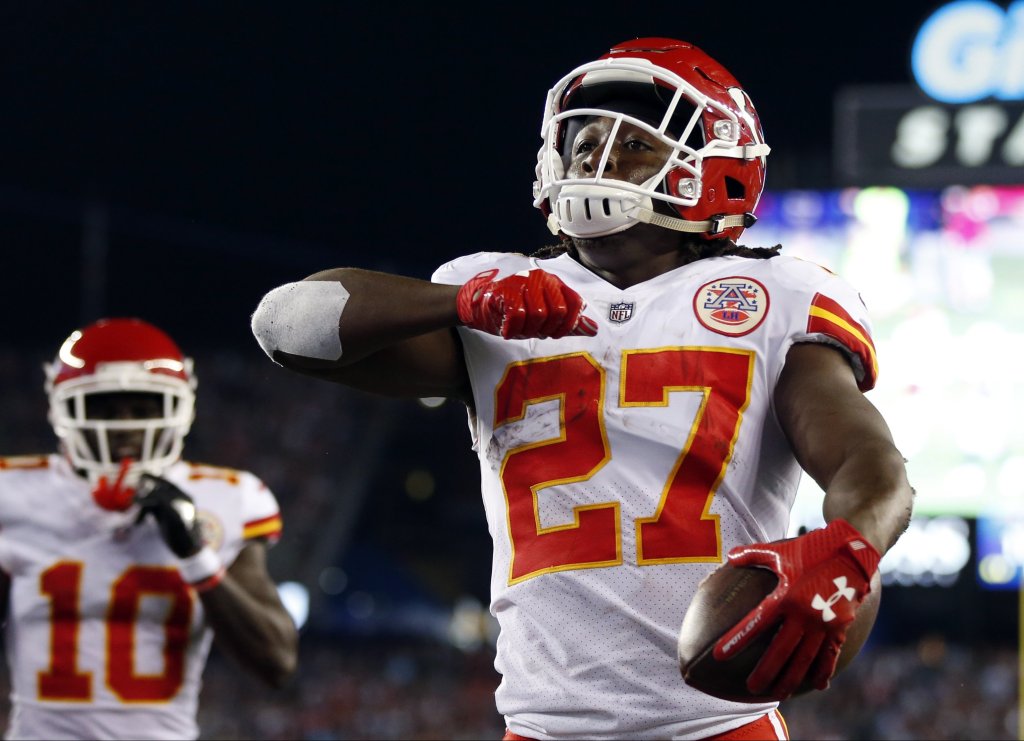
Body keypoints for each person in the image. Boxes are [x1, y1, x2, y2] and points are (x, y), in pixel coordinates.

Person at [250, 37, 914, 741]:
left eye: (633, 145)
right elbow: (286, 327)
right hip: (542, 725)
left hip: (717, 726)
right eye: (587, 140)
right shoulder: (495, 288)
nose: (599, 160)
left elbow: (870, 466)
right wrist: (457, 301)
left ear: (716, 167)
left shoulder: (775, 294)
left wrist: (847, 549)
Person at [0, 317, 298, 740]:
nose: (125, 428)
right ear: (63, 409)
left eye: (143, 408)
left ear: (178, 409)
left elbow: (278, 662)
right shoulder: (12, 494)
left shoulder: (228, 499)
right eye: (105, 408)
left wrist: (197, 556)